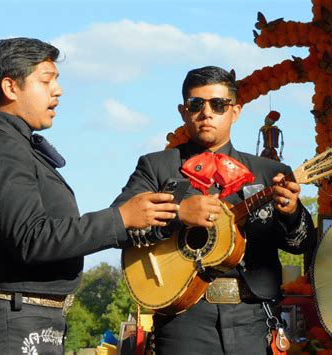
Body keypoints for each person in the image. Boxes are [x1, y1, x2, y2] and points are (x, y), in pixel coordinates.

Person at [0, 37, 178, 354]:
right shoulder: (0, 148)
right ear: (10, 87)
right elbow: (33, 237)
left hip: (22, 320)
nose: (58, 90)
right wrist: (121, 218)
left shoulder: (13, 146)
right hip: (9, 326)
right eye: (46, 80)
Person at [112, 66, 316, 354]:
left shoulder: (270, 173)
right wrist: (178, 213)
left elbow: (302, 244)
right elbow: (118, 223)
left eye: (218, 104)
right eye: (197, 104)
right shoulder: (157, 167)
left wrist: (291, 211)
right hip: (182, 320)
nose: (207, 112)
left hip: (253, 317)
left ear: (235, 111)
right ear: (183, 111)